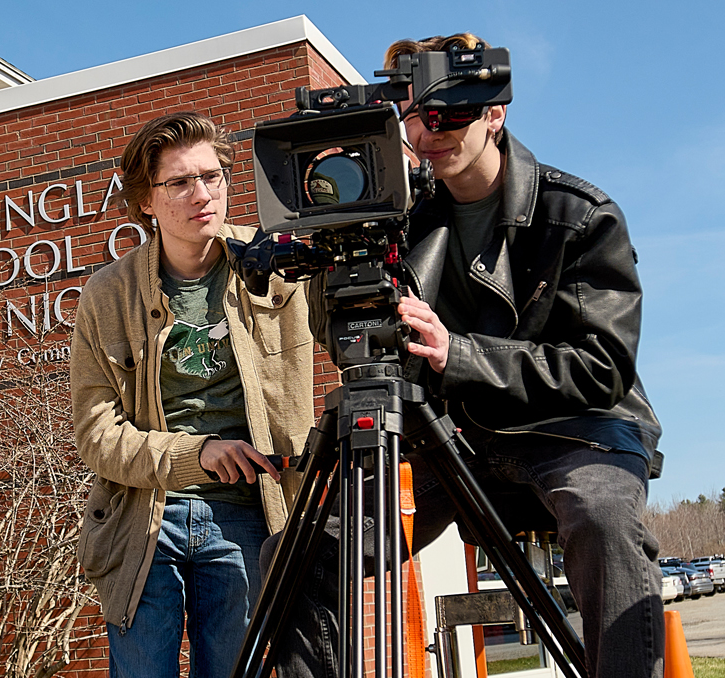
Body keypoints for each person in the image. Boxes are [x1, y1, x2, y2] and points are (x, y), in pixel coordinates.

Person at [281, 33, 667, 678]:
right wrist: (338, 251)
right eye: (413, 115)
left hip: (577, 430)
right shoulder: (400, 219)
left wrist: (458, 354)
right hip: (456, 438)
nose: (429, 133)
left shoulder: (577, 214)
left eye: (449, 114)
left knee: (602, 520)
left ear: (496, 112)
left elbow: (601, 367)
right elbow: (357, 342)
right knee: (294, 558)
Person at [69, 111, 314, 678]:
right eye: (179, 182)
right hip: (143, 525)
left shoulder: (276, 265)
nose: (202, 194)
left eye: (213, 176)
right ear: (146, 202)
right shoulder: (109, 295)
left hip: (253, 515)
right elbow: (97, 435)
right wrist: (194, 454)